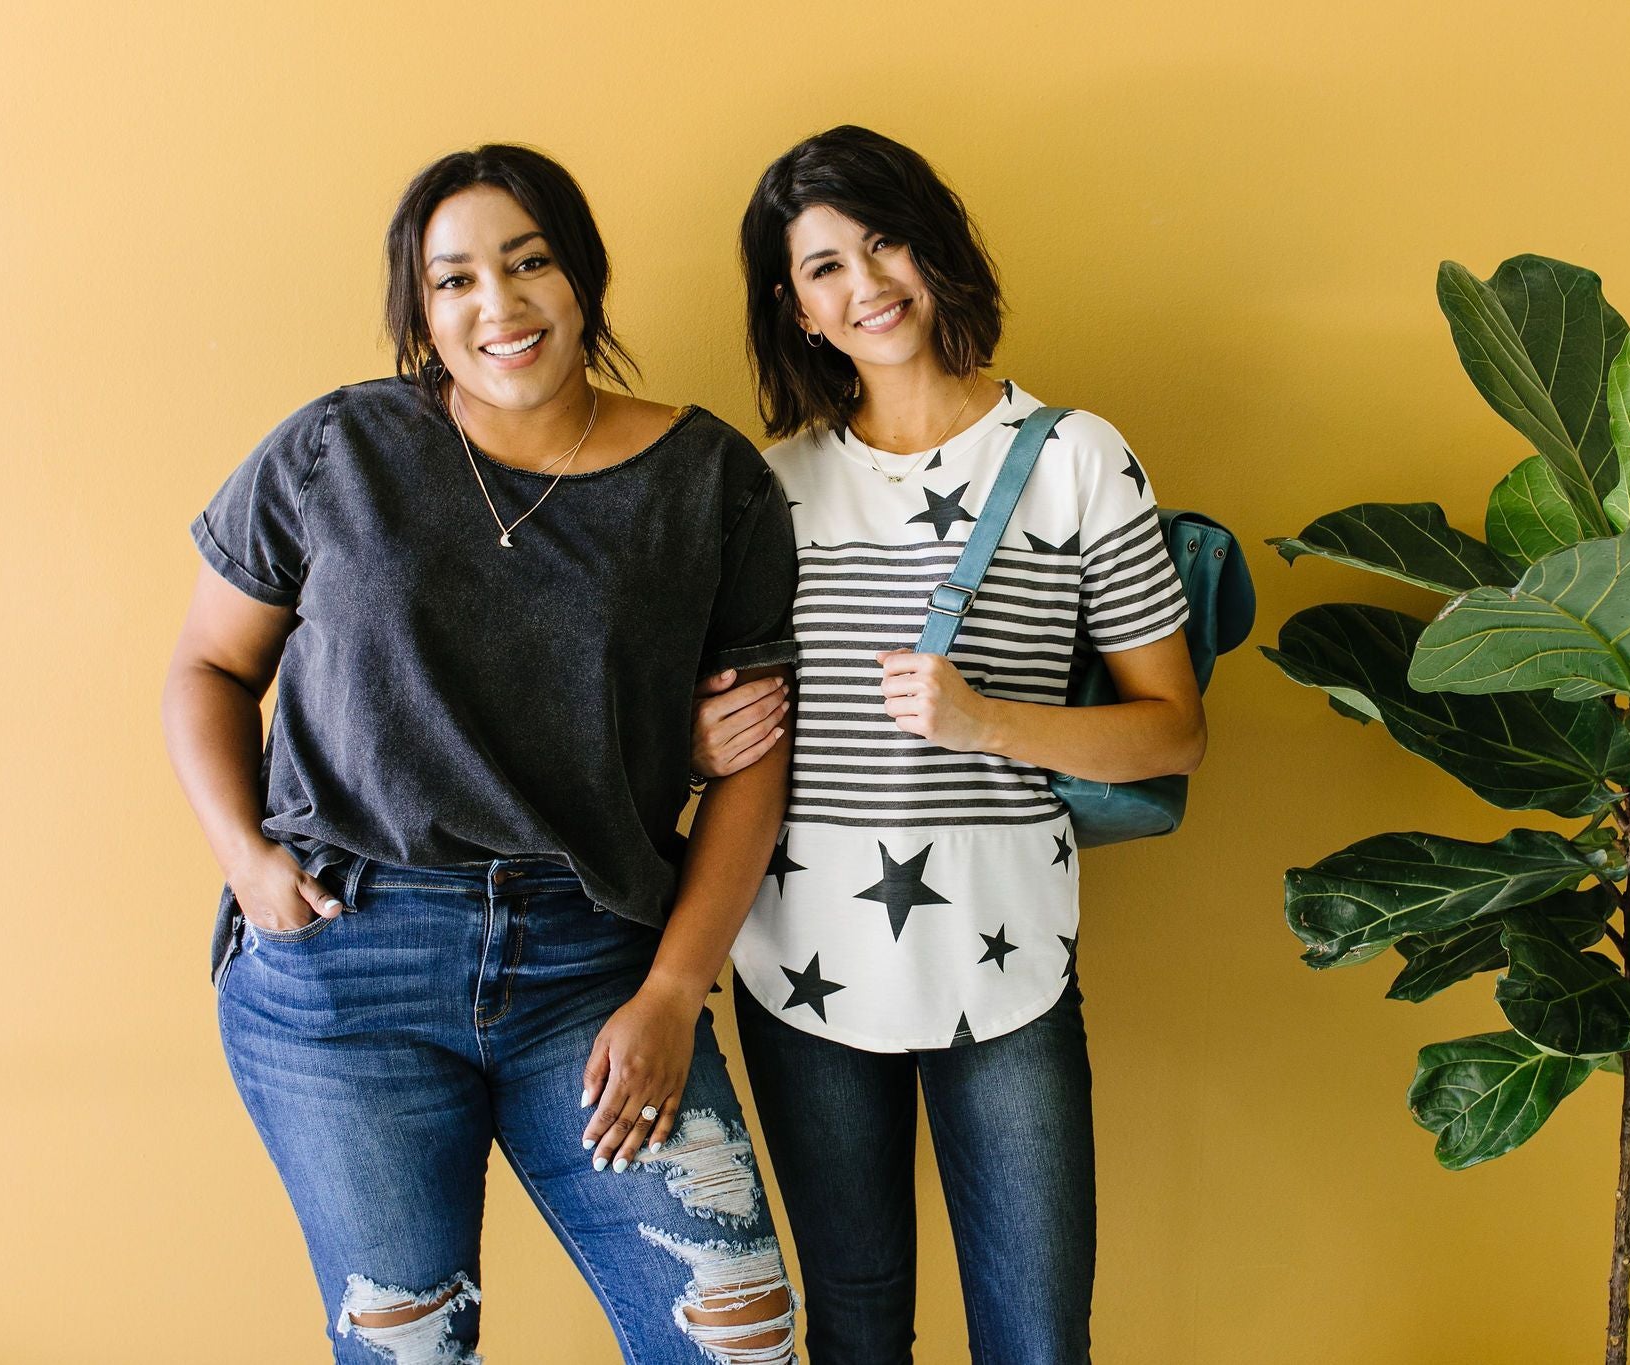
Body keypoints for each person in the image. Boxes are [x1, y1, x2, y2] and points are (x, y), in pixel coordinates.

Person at [161, 144, 799, 1364]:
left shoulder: (710, 480)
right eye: (453, 280)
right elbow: (207, 667)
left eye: (528, 262)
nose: (497, 305)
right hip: (348, 961)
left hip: (595, 963)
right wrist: (244, 857)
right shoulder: (337, 448)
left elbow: (754, 760)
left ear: (582, 276)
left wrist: (673, 991)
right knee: (410, 1348)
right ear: (420, 310)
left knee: (736, 1333)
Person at [693, 125, 1207, 1363]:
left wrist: (985, 721)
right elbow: (715, 729)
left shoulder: (1076, 459)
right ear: (795, 309)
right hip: (799, 959)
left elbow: (1174, 735)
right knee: (854, 1327)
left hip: (1006, 953)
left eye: (884, 243)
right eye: (823, 267)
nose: (865, 285)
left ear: (935, 249)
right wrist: (697, 747)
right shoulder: (765, 489)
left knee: (1036, 1339)